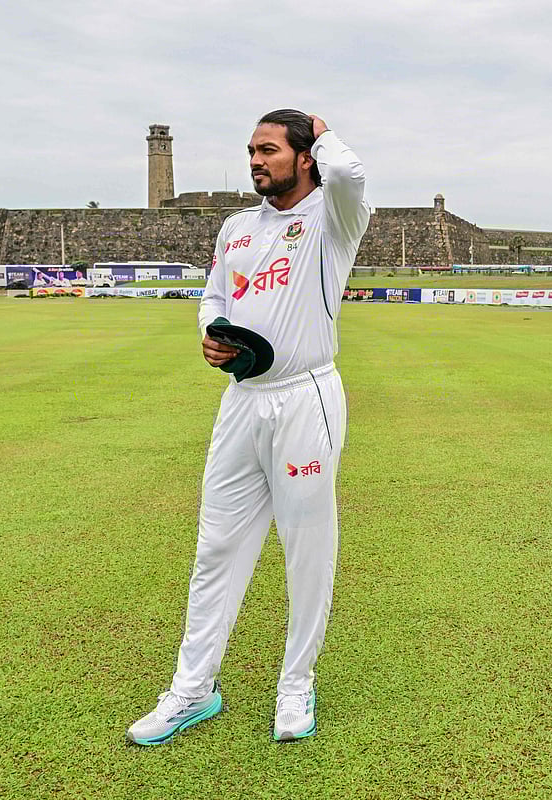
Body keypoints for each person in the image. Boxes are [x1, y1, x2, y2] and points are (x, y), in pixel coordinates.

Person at [127, 109, 370, 745]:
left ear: (305, 156)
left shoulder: (333, 218)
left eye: (268, 150)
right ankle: (193, 689)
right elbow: (216, 296)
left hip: (305, 397)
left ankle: (297, 685)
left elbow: (349, 170)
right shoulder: (236, 227)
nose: (255, 161)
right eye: (251, 151)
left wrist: (322, 128)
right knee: (216, 548)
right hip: (242, 402)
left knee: (305, 552)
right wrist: (210, 333)